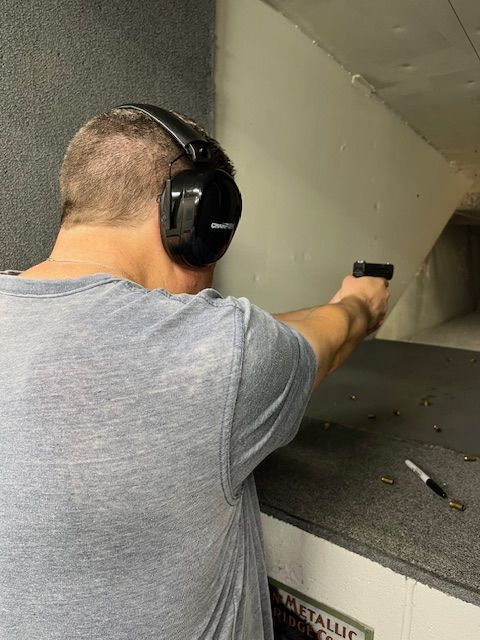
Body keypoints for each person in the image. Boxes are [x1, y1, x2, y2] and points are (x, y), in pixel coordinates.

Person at [0, 106, 389, 640]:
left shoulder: (211, 346)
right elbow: (333, 333)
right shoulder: (226, 352)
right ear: (196, 220)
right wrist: (360, 303)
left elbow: (195, 336)